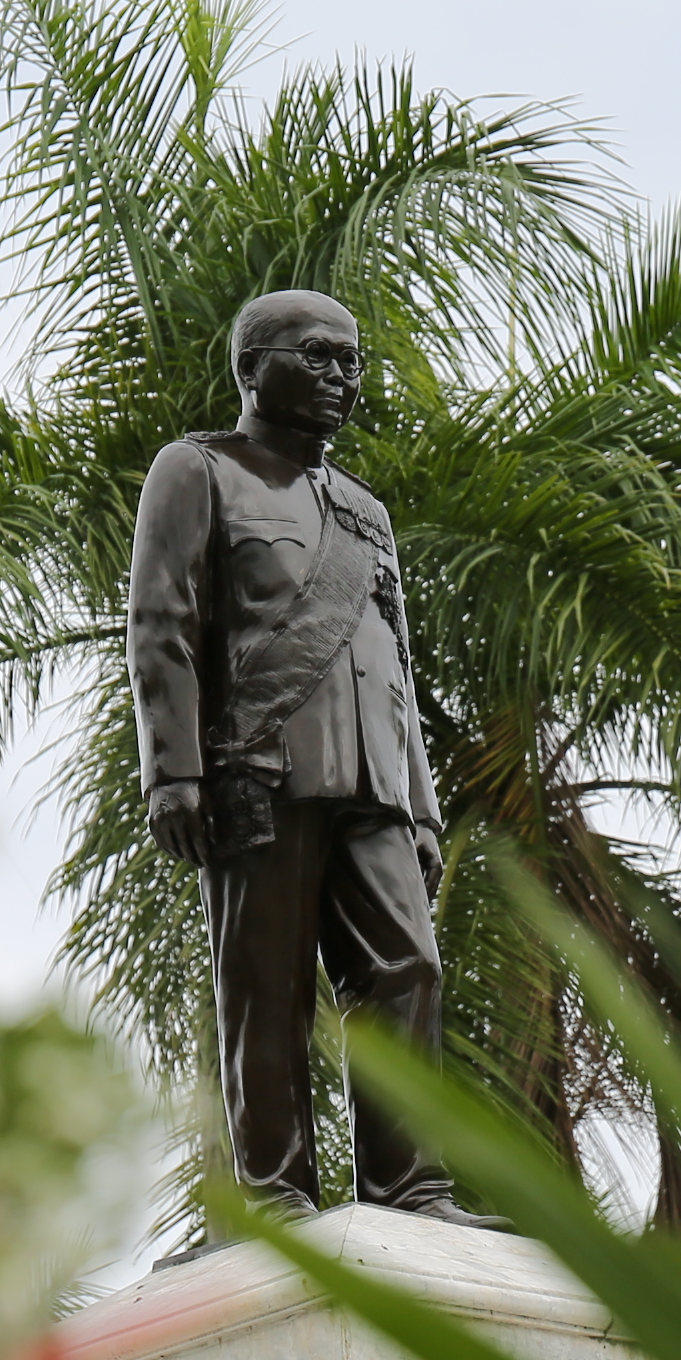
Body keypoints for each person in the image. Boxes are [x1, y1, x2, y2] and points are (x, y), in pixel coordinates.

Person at [127, 289, 490, 1225]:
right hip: (262, 773)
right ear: (253, 369)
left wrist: (420, 807)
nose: (342, 377)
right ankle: (275, 1196)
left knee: (409, 972)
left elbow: (398, 665)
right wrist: (174, 772)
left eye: (352, 361)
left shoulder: (366, 513)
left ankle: (412, 1188)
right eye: (318, 356)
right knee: (267, 987)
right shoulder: (198, 470)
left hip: (374, 787)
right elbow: (162, 624)